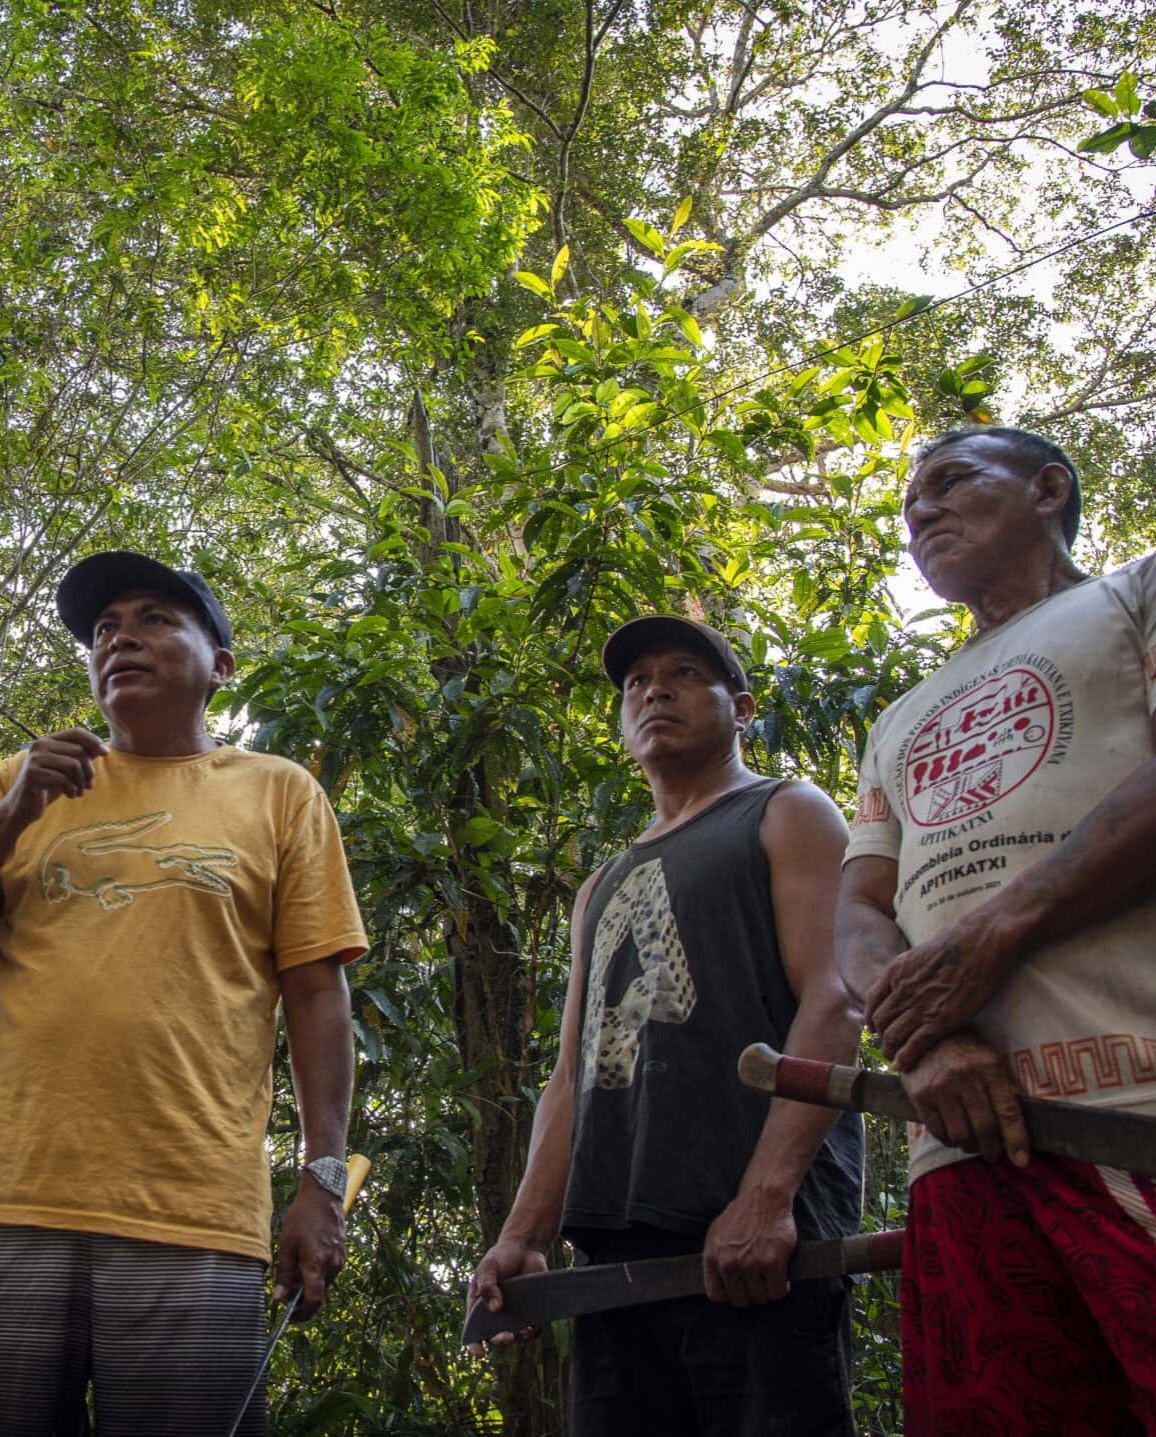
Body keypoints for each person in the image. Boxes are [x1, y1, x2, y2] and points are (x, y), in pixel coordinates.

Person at [0, 551, 367, 1436]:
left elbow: (315, 994)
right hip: (14, 1201)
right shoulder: (24, 780)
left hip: (193, 1210)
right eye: (105, 628)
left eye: (154, 618)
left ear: (220, 663)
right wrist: (13, 812)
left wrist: (323, 1180)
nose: (122, 638)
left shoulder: (279, 793)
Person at [470, 615, 864, 1435]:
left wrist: (766, 1196)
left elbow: (836, 1003)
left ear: (742, 706)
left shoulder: (786, 811)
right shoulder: (602, 884)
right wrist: (524, 1235)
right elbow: (573, 1074)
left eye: (685, 673)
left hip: (758, 1248)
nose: (655, 689)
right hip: (618, 1260)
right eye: (636, 682)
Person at [838, 426, 1156, 1432]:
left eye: (946, 483)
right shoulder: (898, 718)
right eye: (905, 502)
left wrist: (986, 940)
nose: (918, 511)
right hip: (958, 1149)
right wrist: (923, 1035)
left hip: (1134, 1103)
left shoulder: (1132, 596)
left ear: (1045, 488)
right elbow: (854, 907)